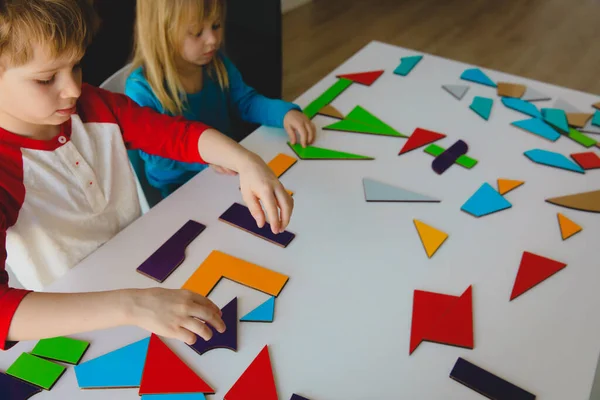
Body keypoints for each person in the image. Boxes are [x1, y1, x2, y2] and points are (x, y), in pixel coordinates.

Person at [0, 0, 293, 350]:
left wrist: (247, 162)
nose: (74, 89)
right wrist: (134, 304)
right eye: (47, 79)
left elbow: (175, 134)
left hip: (147, 274)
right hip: (73, 318)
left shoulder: (94, 106)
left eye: (76, 66)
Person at [125, 0, 316, 198]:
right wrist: (209, 157)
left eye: (216, 25)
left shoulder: (215, 63)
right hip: (178, 190)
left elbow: (246, 102)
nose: (213, 40)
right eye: (198, 32)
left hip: (229, 170)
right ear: (161, 32)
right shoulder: (141, 88)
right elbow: (155, 153)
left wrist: (284, 113)